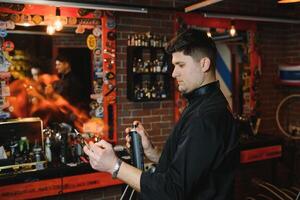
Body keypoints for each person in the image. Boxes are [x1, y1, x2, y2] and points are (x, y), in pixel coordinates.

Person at [83, 28, 239, 200]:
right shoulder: (201, 105)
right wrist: (152, 152)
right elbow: (189, 169)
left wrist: (115, 166)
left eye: (181, 65)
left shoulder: (204, 117)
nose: (173, 73)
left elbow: (172, 191)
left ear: (204, 64)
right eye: (174, 66)